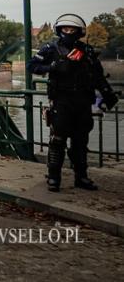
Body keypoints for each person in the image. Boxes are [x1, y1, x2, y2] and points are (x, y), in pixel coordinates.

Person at [29, 13, 117, 192]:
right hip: (61, 101)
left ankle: (81, 177)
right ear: (59, 30)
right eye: (65, 29)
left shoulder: (87, 50)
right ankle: (54, 178)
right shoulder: (50, 48)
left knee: (80, 142)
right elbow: (32, 66)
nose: (68, 32)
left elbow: (97, 75)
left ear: (79, 31)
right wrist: (52, 67)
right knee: (58, 140)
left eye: (72, 29)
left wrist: (107, 93)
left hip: (83, 101)